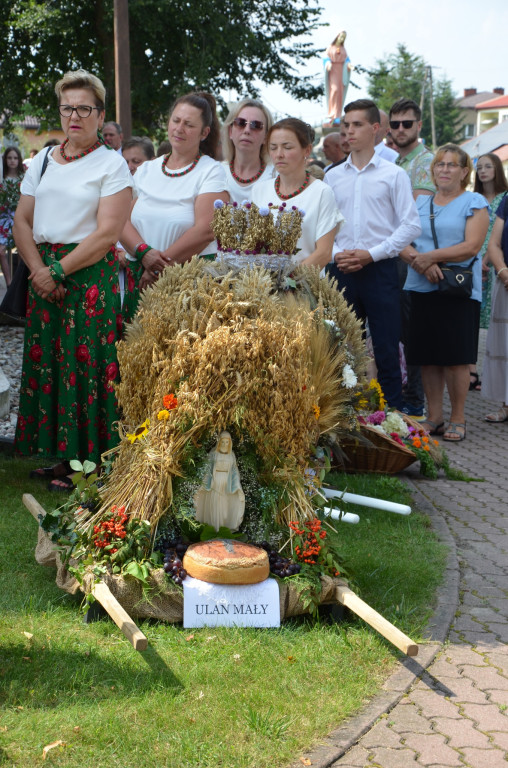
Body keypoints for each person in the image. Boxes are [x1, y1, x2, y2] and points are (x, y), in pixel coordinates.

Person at [12, 69, 133, 489]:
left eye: (84, 108)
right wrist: (38, 272)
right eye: (67, 108)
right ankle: (64, 458)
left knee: (88, 366)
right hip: (42, 270)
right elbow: (22, 221)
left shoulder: (112, 164)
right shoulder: (43, 159)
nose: (74, 116)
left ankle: (92, 463)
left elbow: (107, 234)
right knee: (51, 363)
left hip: (87, 275)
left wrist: (58, 271)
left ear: (100, 115)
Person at [325, 99, 421, 408]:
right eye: (346, 125)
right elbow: (324, 225)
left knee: (386, 349)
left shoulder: (393, 175)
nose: (349, 132)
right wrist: (339, 253)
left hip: (379, 270)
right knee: (340, 348)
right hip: (340, 269)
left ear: (375, 129)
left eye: (357, 125)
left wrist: (371, 254)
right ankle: (343, 418)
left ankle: (391, 422)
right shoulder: (332, 176)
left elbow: (410, 226)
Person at [401, 144, 489, 441]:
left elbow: (472, 246)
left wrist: (432, 257)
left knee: (455, 357)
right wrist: (421, 264)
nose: (445, 170)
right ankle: (435, 417)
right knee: (428, 357)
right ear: (433, 170)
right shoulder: (420, 204)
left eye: (452, 165)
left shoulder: (473, 201)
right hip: (422, 285)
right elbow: (402, 241)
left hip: (458, 290)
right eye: (440, 164)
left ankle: (458, 416)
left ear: (465, 172)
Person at [120, 92, 228, 316]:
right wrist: (145, 254)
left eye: (189, 124)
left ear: (204, 133)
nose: (179, 129)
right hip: (139, 275)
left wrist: (158, 269)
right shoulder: (147, 169)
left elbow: (206, 230)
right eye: (176, 121)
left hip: (186, 282)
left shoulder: (211, 171)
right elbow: (121, 219)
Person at [390, 97, 435, 419]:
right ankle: (401, 395)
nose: (401, 129)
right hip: (394, 253)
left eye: (407, 123)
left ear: (419, 125)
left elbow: (414, 214)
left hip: (414, 256)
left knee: (412, 330)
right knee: (396, 329)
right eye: (395, 124)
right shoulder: (394, 162)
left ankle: (414, 400)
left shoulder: (426, 162)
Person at [252, 118, 340, 268]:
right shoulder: (259, 190)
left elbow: (323, 253)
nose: (279, 154)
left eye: (287, 147)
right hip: (263, 286)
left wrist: (286, 281)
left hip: (305, 285)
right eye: (273, 147)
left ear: (306, 150)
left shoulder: (322, 192)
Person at [471, 153, 508, 390]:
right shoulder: (473, 198)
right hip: (474, 262)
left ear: (497, 169)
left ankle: (495, 375)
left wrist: (490, 259)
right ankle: (471, 370)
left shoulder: (504, 197)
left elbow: (498, 235)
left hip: (496, 264)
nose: (483, 171)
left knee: (496, 323)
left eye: (488, 166)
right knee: (473, 318)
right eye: (480, 167)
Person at [482, 194, 508, 422]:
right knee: (506, 345)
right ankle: (506, 404)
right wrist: (503, 272)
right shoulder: (507, 199)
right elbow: (494, 243)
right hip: (506, 279)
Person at [222, 99, 274, 204]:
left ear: (266, 136)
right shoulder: (216, 173)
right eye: (240, 123)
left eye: (256, 125)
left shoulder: (276, 176)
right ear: (230, 131)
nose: (247, 130)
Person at [194, 431, 245, 532]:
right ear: (219, 442)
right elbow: (208, 469)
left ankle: (223, 530)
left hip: (227, 485)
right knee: (214, 505)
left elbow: (235, 472)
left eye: (227, 442)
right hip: (214, 484)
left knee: (224, 508)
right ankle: (213, 528)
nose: (225, 445)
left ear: (230, 443)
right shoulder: (214, 454)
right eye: (223, 442)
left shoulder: (231, 455)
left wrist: (237, 487)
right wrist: (205, 484)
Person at [0, 146, 25, 286]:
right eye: (9, 158)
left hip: (19, 215)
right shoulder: (1, 177)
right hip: (3, 218)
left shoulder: (24, 177)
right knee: (2, 252)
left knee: (22, 250)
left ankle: (19, 283)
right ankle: (9, 283)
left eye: (15, 158)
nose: (12, 161)